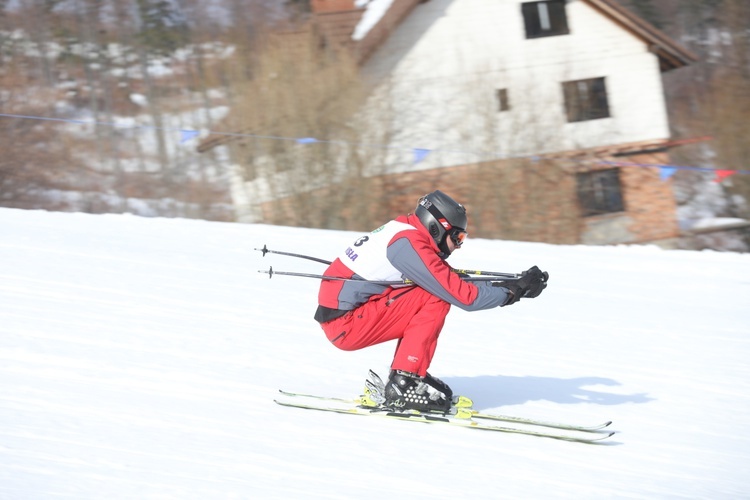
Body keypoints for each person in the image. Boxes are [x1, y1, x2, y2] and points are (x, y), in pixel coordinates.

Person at [314, 190, 548, 413]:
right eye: (458, 237)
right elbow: (462, 296)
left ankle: (407, 375)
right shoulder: (408, 245)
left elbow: (453, 281)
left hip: (352, 316)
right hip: (346, 325)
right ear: (437, 227)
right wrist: (512, 293)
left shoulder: (406, 232)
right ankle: (404, 382)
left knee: (435, 290)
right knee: (434, 296)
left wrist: (515, 285)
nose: (458, 245)